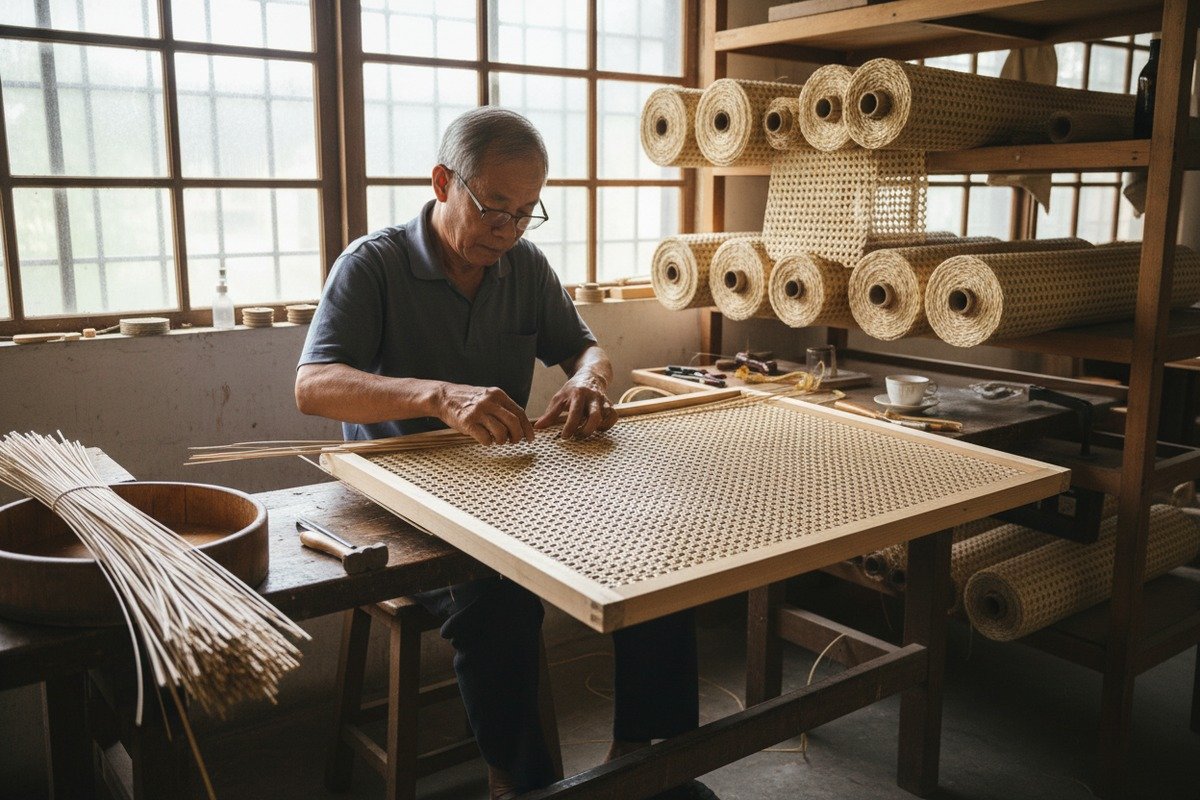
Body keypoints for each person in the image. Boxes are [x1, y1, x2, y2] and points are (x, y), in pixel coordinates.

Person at [296, 107, 716, 800]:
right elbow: (312, 387)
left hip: (510, 481)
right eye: (495, 207)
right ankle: (520, 785)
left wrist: (588, 380)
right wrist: (438, 397)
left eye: (527, 213)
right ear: (442, 183)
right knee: (499, 600)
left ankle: (644, 761)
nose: (509, 230)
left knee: (655, 556)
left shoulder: (522, 265)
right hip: (402, 496)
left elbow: (584, 346)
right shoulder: (373, 266)